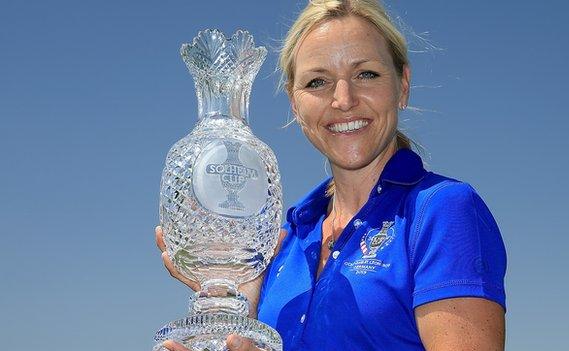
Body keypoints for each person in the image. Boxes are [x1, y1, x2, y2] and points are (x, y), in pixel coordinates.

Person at [157, 0, 507, 350]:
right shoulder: (285, 240)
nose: (343, 99)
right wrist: (239, 301)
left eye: (366, 74)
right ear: (295, 104)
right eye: (317, 82)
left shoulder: (442, 210)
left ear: (403, 84)